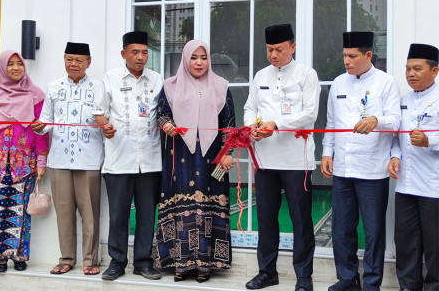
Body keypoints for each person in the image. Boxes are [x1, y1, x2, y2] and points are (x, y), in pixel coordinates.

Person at [320, 32, 401, 291]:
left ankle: (372, 282)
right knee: (342, 228)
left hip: (373, 169)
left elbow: (396, 121)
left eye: (352, 56)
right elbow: (331, 124)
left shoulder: (386, 83)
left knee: (374, 230)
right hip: (343, 168)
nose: (347, 60)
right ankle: (347, 278)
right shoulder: (338, 84)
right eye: (344, 55)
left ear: (368, 55)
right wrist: (326, 153)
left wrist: (377, 120)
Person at [244, 24, 320, 291]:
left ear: (293, 47)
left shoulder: (306, 75)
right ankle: (267, 272)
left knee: (301, 219)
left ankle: (303, 276)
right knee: (266, 218)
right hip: (265, 161)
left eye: (278, 49)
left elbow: (310, 114)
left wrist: (276, 124)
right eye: (269, 50)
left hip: (297, 161)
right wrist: (252, 127)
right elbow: (250, 107)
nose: (273, 55)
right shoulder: (261, 75)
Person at [154, 39, 235, 283]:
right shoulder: (170, 86)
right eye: (193, 57)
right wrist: (166, 125)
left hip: (212, 157)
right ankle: (180, 262)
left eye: (203, 57)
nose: (199, 62)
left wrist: (228, 152)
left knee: (208, 206)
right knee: (180, 206)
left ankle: (205, 264)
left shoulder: (221, 86)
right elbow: (162, 112)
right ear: (185, 59)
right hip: (179, 156)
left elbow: (229, 124)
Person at [93, 31, 163, 281]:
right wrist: (105, 126)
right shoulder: (110, 78)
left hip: (150, 162)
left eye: (144, 52)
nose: (140, 57)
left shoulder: (157, 80)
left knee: (147, 214)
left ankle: (144, 262)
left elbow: (164, 114)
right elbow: (99, 112)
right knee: (119, 214)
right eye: (135, 52)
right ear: (124, 54)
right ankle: (117, 262)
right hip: (118, 161)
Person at [31, 42, 104, 275]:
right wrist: (39, 127)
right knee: (64, 212)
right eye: (69, 59)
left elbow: (104, 121)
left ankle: (90, 260)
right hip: (59, 159)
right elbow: (44, 124)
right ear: (64, 60)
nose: (73, 64)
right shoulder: (53, 87)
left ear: (88, 63)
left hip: (89, 159)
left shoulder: (98, 87)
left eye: (78, 60)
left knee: (90, 213)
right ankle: (67, 258)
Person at [0, 50, 49, 272]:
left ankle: (20, 256)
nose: (16, 68)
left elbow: (41, 131)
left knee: (22, 212)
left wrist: (41, 161)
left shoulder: (34, 94)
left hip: (24, 164)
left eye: (20, 64)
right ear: (2, 68)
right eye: (10, 64)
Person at [388, 43, 439, 291]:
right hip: (406, 184)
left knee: (435, 244)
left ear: (435, 71)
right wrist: (395, 156)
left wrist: (431, 141)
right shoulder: (403, 100)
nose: (410, 74)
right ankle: (408, 286)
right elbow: (397, 138)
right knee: (406, 241)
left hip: (433, 186)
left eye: (417, 68)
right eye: (408, 69)